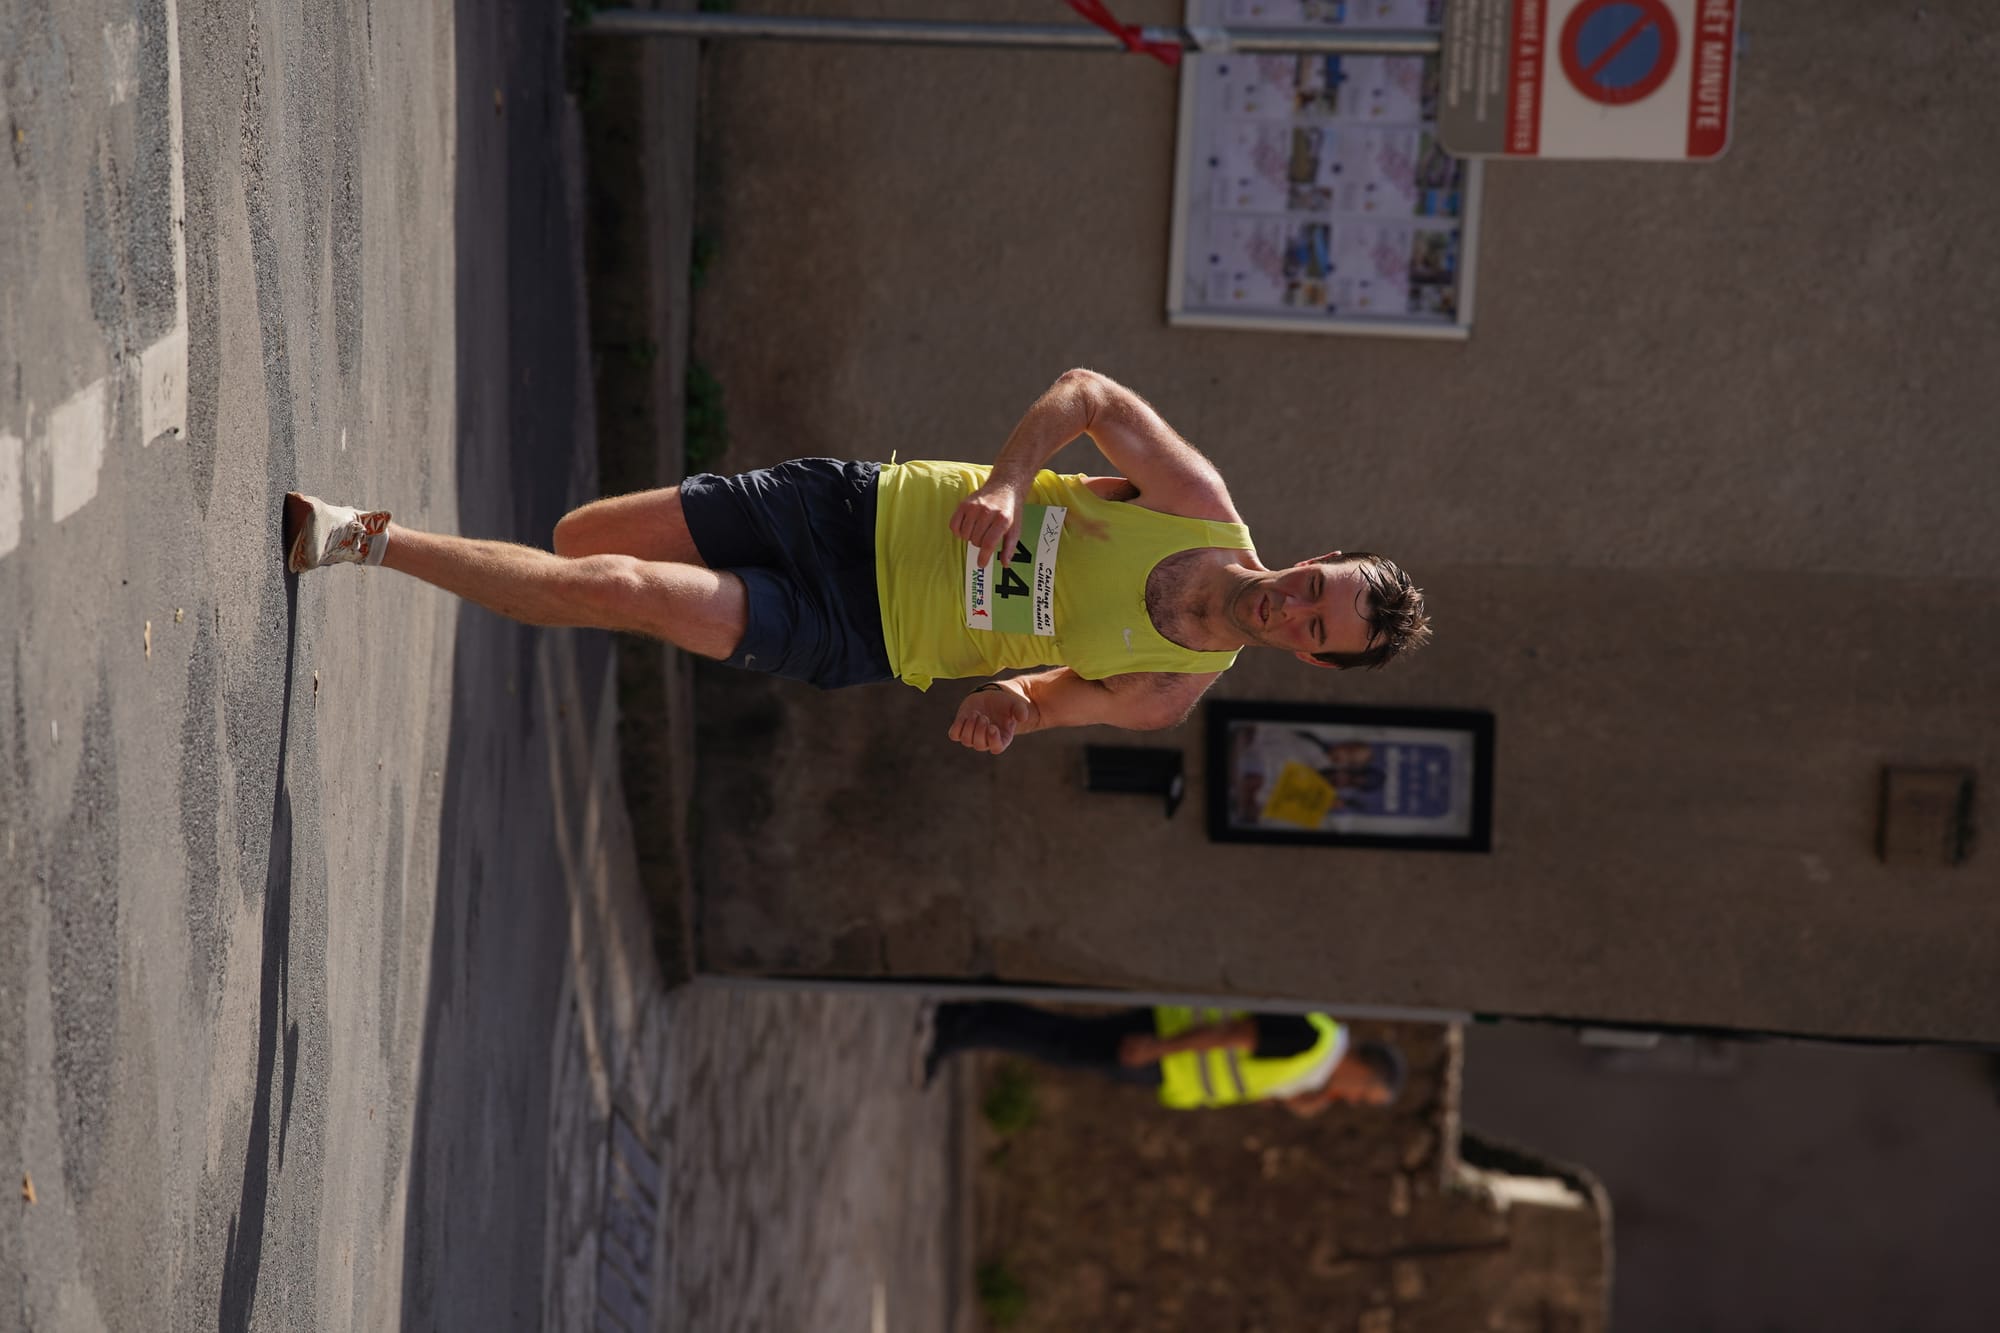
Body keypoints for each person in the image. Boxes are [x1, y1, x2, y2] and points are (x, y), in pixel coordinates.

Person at [284, 368, 1430, 753]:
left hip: (864, 635)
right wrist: (1008, 479)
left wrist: (1003, 712)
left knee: (614, 590)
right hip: (853, 511)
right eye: (1319, 585)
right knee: (584, 540)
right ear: (1319, 557)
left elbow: (1046, 702)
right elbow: (1087, 394)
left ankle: (358, 538)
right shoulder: (1198, 504)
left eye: (1313, 627)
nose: (1295, 604)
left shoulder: (1171, 690)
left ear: (1313, 662)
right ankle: (450, 558)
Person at [917, 1000, 1406, 1116]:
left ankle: (963, 1024)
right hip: (1165, 1046)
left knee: (1062, 1042)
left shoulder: (1316, 1060)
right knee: (1060, 1041)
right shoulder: (1313, 1040)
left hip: (1169, 1063)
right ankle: (959, 1024)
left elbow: (1254, 1074)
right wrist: (1159, 1047)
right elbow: (1234, 1036)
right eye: (1365, 1094)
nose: (1355, 1101)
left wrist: (1302, 1101)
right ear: (1363, 1070)